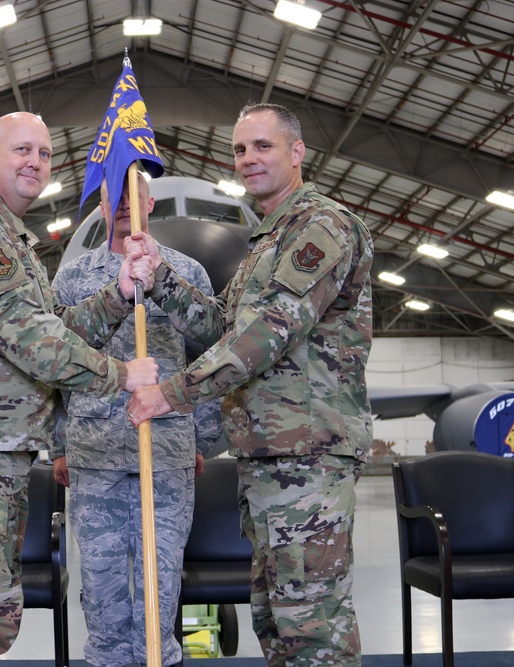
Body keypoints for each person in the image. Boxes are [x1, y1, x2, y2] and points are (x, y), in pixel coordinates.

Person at [0, 111, 160, 667]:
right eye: (21, 151)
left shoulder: (13, 238)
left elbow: (54, 326)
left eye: (43, 154)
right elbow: (26, 335)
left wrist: (117, 294)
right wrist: (120, 375)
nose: (34, 163)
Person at [125, 102, 375, 666]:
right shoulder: (267, 240)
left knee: (313, 623)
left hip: (308, 454)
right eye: (240, 149)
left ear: (297, 152)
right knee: (276, 618)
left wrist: (169, 393)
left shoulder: (321, 226)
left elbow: (269, 334)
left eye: (263, 146)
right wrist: (160, 276)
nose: (249, 159)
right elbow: (223, 326)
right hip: (268, 454)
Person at [50, 173, 222, 667]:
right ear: (101, 206)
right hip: (94, 455)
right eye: (114, 198)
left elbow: (209, 362)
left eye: (133, 196)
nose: (125, 205)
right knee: (102, 593)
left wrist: (201, 440)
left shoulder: (184, 271)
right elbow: (54, 367)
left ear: (151, 202)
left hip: (165, 454)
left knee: (160, 594)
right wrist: (58, 446)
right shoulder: (74, 278)